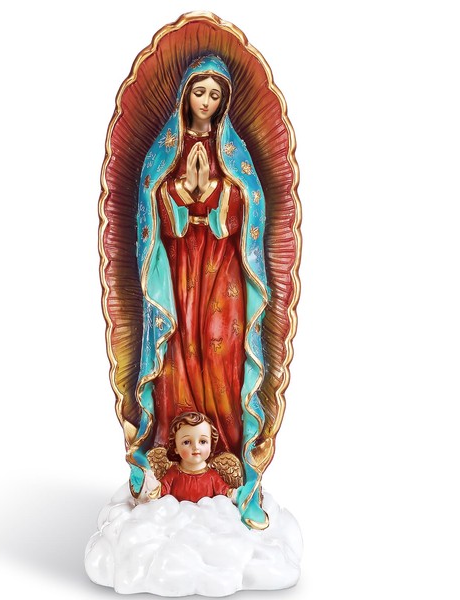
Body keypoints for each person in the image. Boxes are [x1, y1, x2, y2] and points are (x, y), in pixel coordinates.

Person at [134, 55, 269, 527]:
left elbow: (249, 207)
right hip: (179, 267)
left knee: (219, 350)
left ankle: (225, 458)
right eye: (199, 92)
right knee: (177, 348)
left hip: (221, 267)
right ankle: (174, 458)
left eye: (214, 95)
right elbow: (151, 204)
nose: (206, 102)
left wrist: (217, 191)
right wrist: (178, 193)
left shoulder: (232, 151)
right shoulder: (165, 150)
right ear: (185, 96)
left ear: (223, 101)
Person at [151, 412, 236, 503]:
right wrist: (149, 487)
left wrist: (237, 495)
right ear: (176, 448)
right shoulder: (173, 474)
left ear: (211, 445)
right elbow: (160, 491)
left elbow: (226, 492)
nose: (196, 447)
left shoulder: (212, 476)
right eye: (186, 442)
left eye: (203, 441)